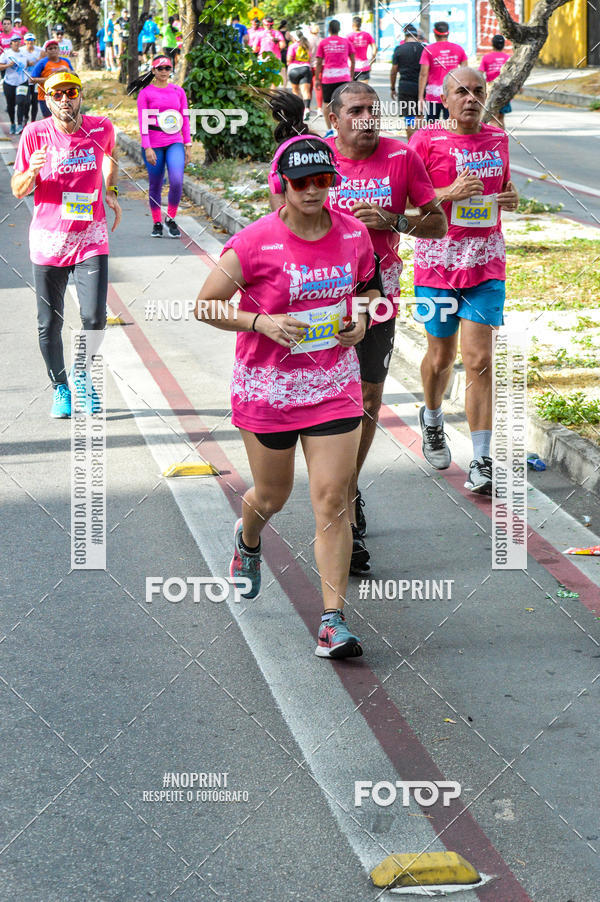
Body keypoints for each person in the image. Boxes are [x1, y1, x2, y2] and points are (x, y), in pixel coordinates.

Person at [195, 133, 382, 659]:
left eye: (324, 180)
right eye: (302, 182)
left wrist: (361, 319)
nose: (314, 191)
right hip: (268, 389)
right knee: (271, 497)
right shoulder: (255, 242)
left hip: (332, 385)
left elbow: (370, 290)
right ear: (282, 186)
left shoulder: (352, 235)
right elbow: (205, 305)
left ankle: (332, 621)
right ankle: (248, 538)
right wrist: (261, 321)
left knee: (331, 498)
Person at [324, 83, 446, 568]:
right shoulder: (313, 158)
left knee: (369, 397)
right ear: (333, 118)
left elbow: (437, 224)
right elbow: (282, 218)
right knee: (329, 397)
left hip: (378, 296)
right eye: (356, 110)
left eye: (374, 110)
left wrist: (394, 219)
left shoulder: (402, 159)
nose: (367, 118)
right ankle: (337, 504)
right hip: (321, 293)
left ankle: (348, 493)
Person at [409, 67, 518, 493]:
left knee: (478, 361)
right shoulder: (424, 141)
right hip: (437, 264)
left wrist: (511, 197)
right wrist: (447, 193)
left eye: (478, 91)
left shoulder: (497, 138)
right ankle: (432, 418)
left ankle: (482, 459)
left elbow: (504, 189)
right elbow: (407, 204)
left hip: (486, 263)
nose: (471, 98)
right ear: (444, 97)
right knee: (440, 357)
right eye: (462, 92)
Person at [11, 70, 121, 419]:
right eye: (57, 95)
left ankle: (83, 375)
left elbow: (110, 155)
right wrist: (33, 172)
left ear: (80, 95)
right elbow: (18, 188)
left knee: (94, 316)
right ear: (47, 99)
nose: (64, 100)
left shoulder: (100, 127)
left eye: (70, 92)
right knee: (49, 322)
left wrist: (112, 190)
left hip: (91, 237)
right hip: (49, 241)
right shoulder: (35, 133)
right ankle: (61, 387)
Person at [135, 55, 192, 239]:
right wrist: (147, 147)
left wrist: (188, 144)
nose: (164, 71)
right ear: (153, 71)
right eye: (160, 68)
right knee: (156, 183)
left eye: (167, 68)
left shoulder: (178, 91)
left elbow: (185, 119)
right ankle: (157, 222)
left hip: (174, 140)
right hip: (153, 142)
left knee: (176, 180)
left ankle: (171, 218)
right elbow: (143, 122)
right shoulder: (145, 93)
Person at [418, 21, 467, 122]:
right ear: (448, 33)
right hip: (452, 94)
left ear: (435, 34)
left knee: (431, 125)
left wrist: (420, 97)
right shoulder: (458, 49)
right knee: (452, 125)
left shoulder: (428, 50)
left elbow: (423, 74)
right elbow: (465, 72)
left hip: (433, 95)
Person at [315, 19, 355, 136]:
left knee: (327, 104)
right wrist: (351, 76)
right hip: (344, 78)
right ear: (339, 29)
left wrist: (317, 78)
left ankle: (329, 130)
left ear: (329, 29)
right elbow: (353, 60)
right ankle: (344, 129)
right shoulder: (346, 42)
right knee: (344, 104)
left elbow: (318, 63)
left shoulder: (323, 43)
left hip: (328, 78)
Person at [390, 23, 423, 140]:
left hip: (405, 88)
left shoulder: (399, 49)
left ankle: (412, 147)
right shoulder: (424, 48)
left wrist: (393, 88)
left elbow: (394, 71)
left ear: (405, 36)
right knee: (420, 117)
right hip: (421, 89)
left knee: (409, 119)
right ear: (416, 36)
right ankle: (421, 147)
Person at [29, 39, 73, 118]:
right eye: (50, 49)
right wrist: (52, 78)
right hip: (46, 97)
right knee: (49, 120)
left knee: (64, 119)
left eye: (55, 48)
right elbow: (31, 79)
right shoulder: (42, 63)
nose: (53, 50)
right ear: (46, 52)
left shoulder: (65, 61)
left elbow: (75, 76)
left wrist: (67, 70)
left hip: (64, 97)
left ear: (59, 50)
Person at [479, 34, 512, 128]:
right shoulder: (508, 58)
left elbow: (480, 74)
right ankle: (502, 139)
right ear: (503, 45)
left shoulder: (486, 58)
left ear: (492, 44)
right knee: (501, 117)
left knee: (493, 118)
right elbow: (512, 74)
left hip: (491, 91)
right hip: (504, 92)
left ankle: (495, 140)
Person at [0, 34, 30, 133]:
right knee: (10, 105)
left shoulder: (24, 53)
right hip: (9, 83)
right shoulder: (6, 53)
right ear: (11, 43)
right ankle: (12, 123)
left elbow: (28, 63)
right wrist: (8, 65)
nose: (17, 43)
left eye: (18, 41)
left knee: (21, 102)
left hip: (22, 82)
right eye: (14, 41)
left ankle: (20, 124)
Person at [286, 32, 312, 119]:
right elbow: (310, 58)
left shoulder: (292, 46)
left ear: (294, 38)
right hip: (305, 68)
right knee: (306, 91)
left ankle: (297, 111)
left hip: (294, 70)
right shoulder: (306, 45)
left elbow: (289, 60)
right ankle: (307, 109)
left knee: (295, 91)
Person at [347, 16, 376, 82]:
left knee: (351, 91)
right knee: (363, 91)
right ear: (360, 24)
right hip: (364, 67)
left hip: (351, 68)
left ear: (353, 25)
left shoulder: (349, 36)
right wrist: (372, 61)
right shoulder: (367, 35)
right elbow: (374, 47)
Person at [23, 33, 43, 122]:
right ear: (24, 42)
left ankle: (33, 121)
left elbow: (44, 59)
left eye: (32, 41)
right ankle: (25, 117)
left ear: (34, 42)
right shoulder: (21, 51)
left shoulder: (40, 50)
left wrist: (40, 60)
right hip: (24, 80)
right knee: (26, 102)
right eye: (28, 41)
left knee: (35, 102)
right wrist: (27, 63)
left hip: (36, 80)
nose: (30, 43)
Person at [307, 24, 323, 116]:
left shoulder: (307, 40)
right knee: (318, 87)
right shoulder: (321, 40)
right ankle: (320, 109)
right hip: (320, 66)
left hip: (309, 65)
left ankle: (307, 108)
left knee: (308, 87)